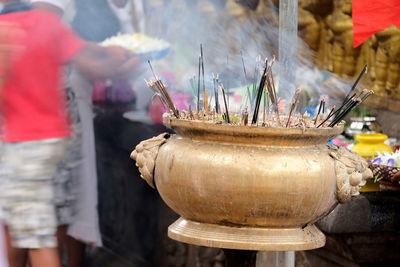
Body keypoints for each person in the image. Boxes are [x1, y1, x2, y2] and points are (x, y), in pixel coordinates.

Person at [0, 1, 142, 266]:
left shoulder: (5, 30)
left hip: (22, 147)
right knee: (37, 226)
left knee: (35, 239)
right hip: (59, 146)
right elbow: (93, 64)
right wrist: (122, 58)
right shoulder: (50, 24)